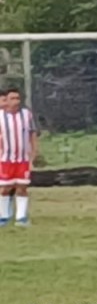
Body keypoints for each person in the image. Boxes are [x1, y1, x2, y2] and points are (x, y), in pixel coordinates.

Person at [0, 88, 39, 227]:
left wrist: (34, 152)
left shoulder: (26, 115)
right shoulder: (0, 116)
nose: (16, 101)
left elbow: (32, 134)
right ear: (6, 100)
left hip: (23, 159)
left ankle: (21, 217)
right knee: (5, 188)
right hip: (6, 159)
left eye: (18, 98)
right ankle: (4, 216)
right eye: (12, 98)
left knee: (22, 187)